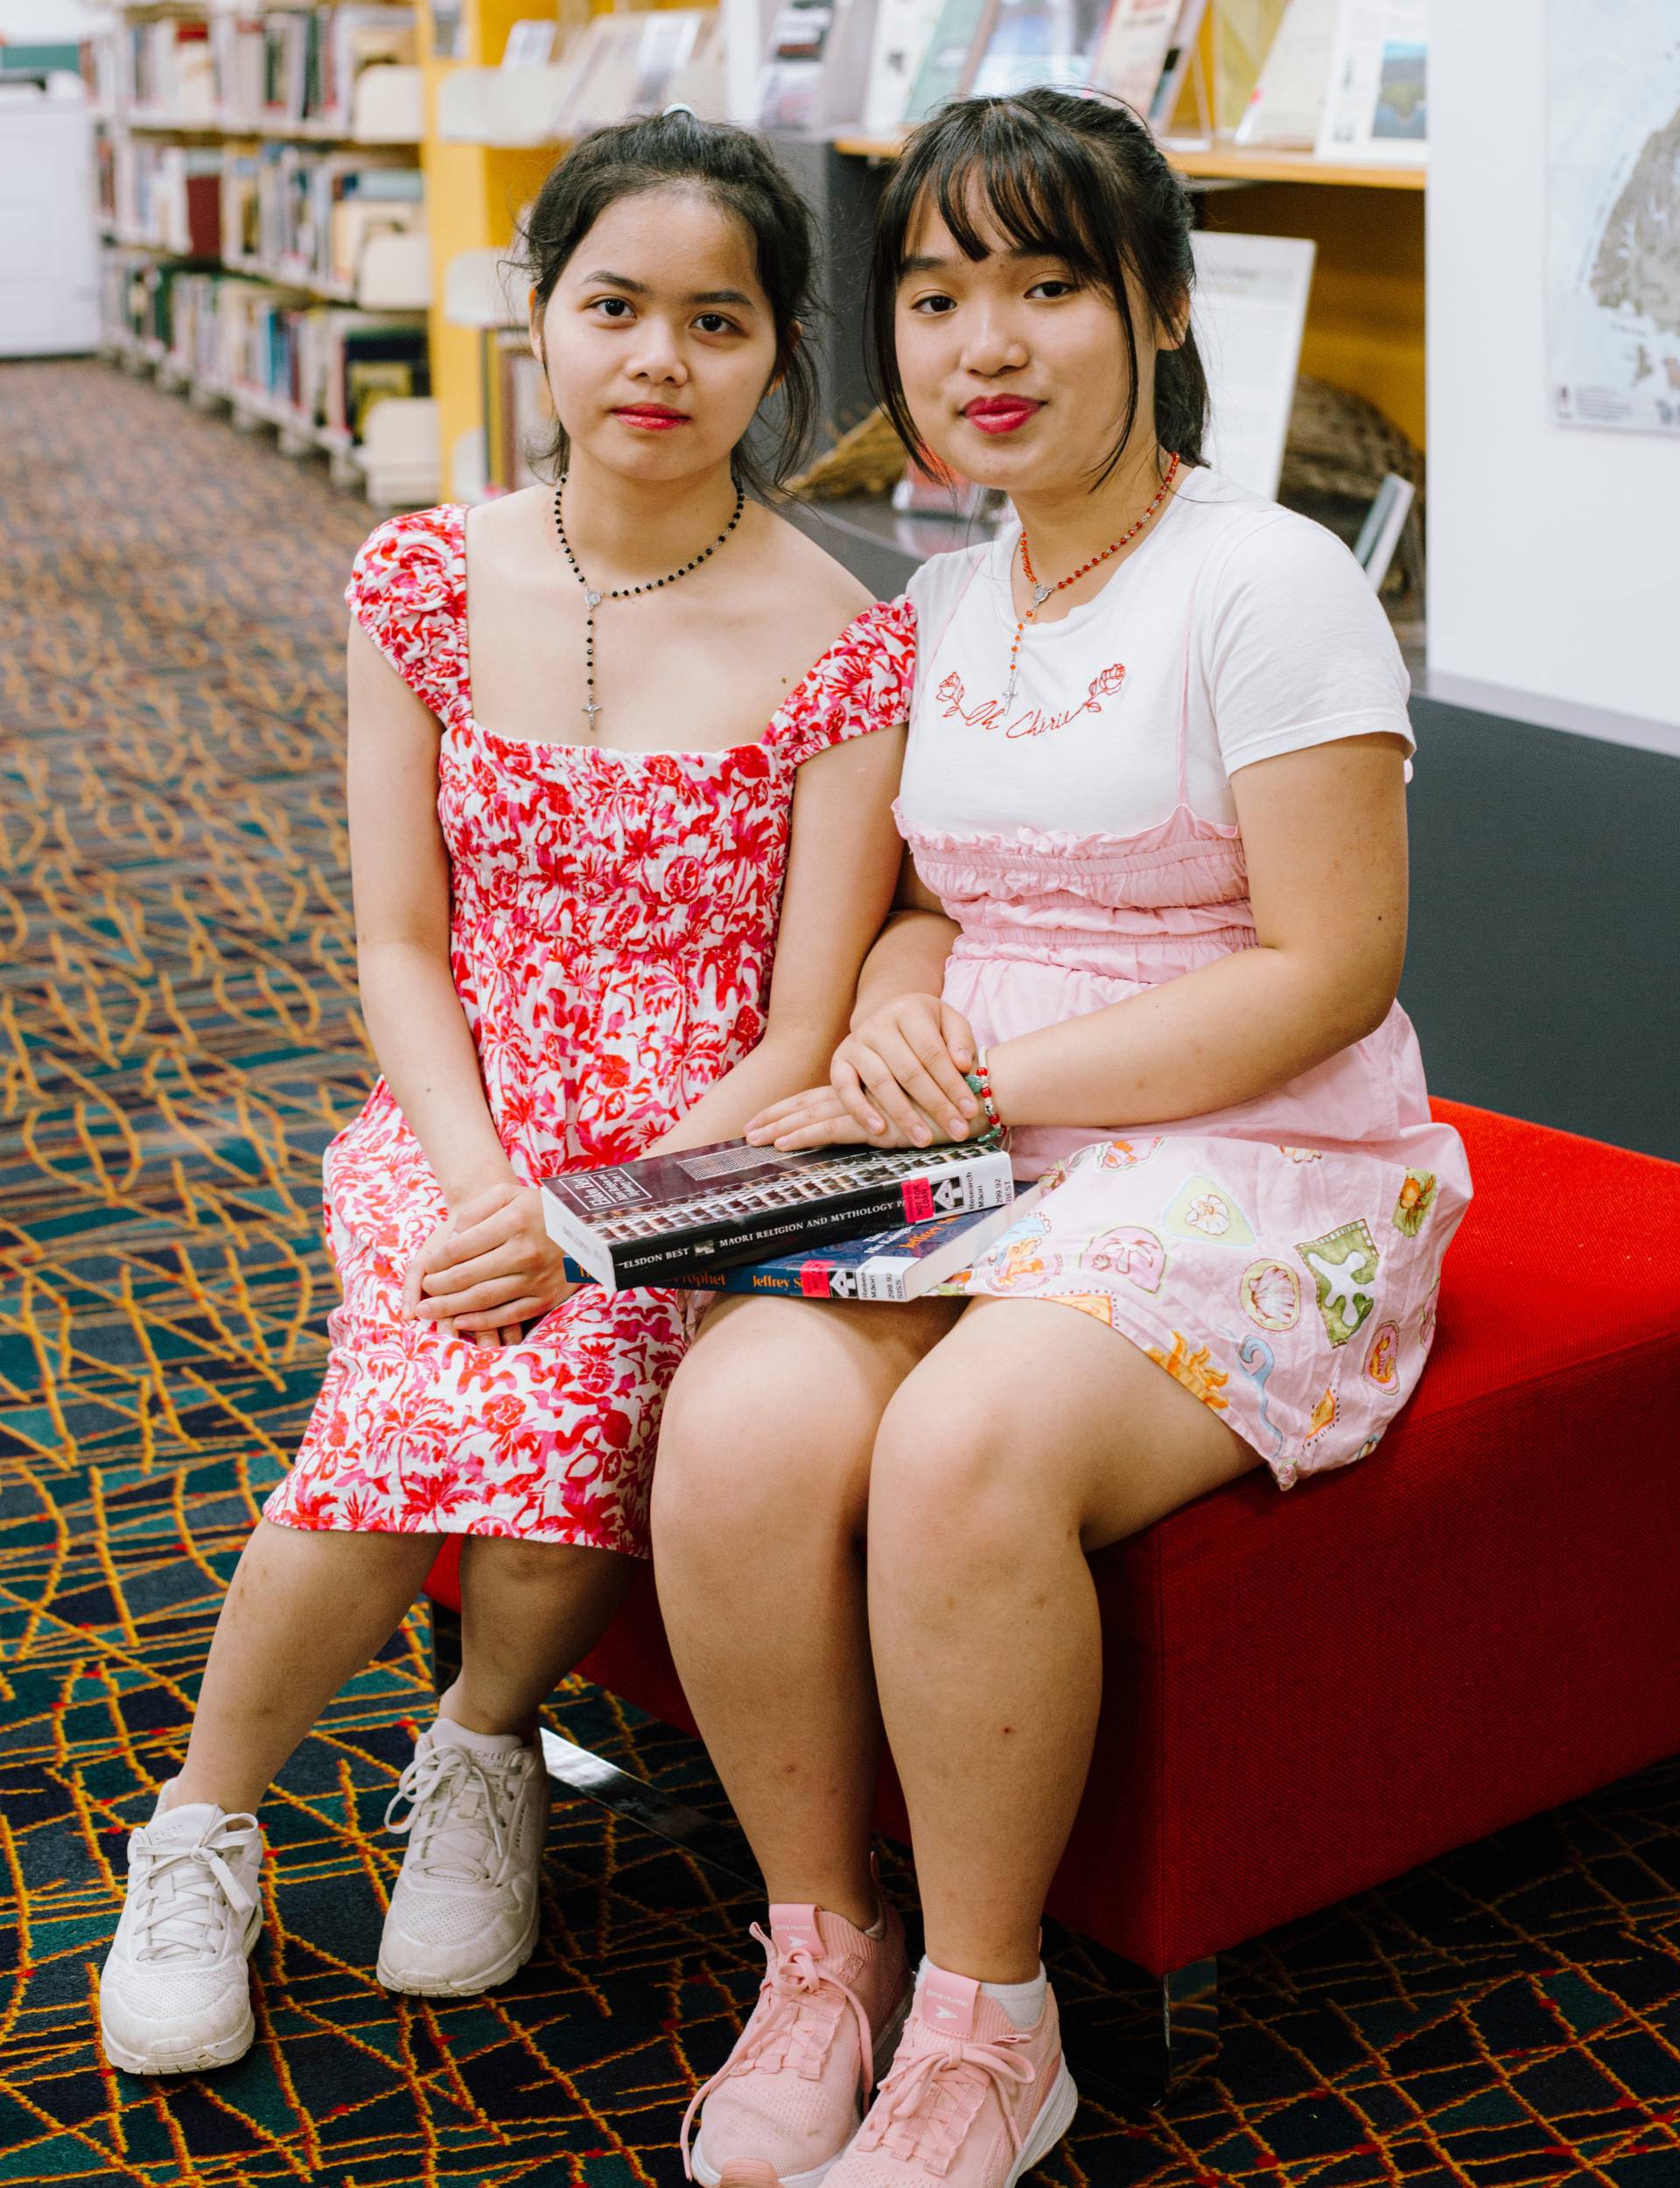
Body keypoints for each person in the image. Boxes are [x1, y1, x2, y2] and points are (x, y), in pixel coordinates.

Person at [656, 89, 1470, 2188]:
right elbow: (935, 897)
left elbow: (1329, 966)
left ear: (1160, 305)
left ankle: (985, 2023)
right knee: (737, 1420)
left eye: (1046, 284)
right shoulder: (939, 604)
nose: (984, 345)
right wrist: (913, 1003)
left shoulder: (1267, 579)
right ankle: (822, 1951)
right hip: (990, 1134)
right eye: (936, 296)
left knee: (963, 1447)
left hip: (1255, 1140)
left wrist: (999, 1075)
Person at [97, 109, 915, 2078]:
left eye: (714, 320)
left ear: (776, 353)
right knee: (429, 1390)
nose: (657, 359)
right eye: (612, 305)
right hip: (457, 1119)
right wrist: (482, 1180)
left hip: (692, 1151)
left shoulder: (847, 638)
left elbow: (806, 1028)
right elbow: (394, 938)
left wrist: (599, 1210)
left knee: (571, 1373)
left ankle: (476, 1748)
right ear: (535, 317)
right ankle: (197, 1826)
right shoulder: (423, 576)